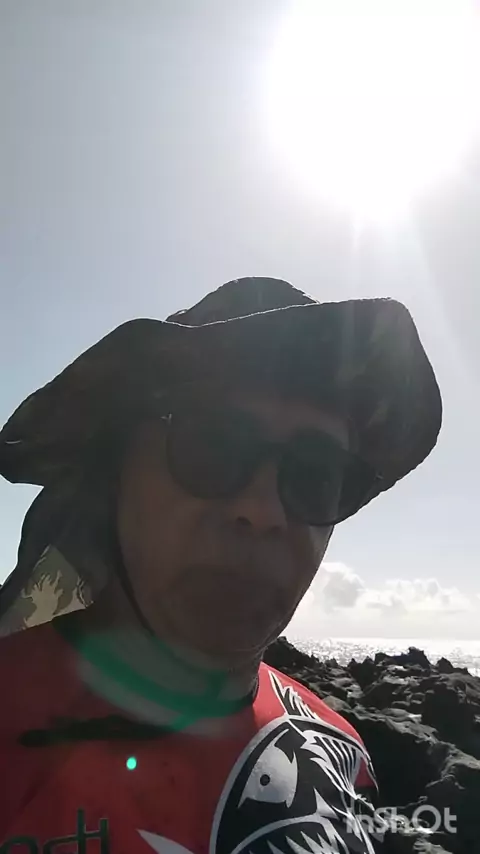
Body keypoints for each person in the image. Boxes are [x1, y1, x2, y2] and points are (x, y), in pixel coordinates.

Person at [0, 277, 441, 853]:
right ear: (115, 476)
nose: (264, 511)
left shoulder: (340, 750)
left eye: (316, 476)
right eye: (213, 445)